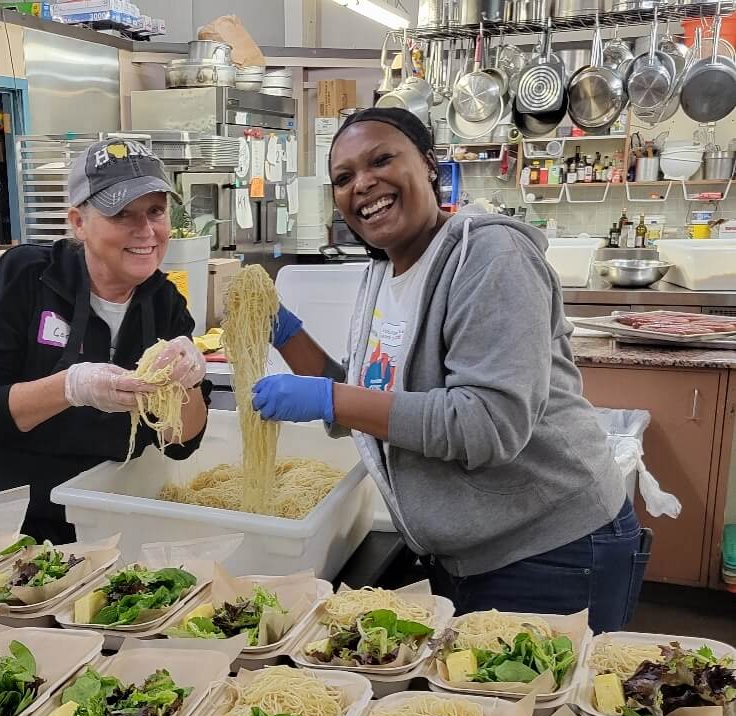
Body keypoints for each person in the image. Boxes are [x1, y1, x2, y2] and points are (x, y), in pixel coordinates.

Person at [252, 108, 648, 632]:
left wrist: (328, 398)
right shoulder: (384, 273)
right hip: (465, 557)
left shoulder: (489, 256)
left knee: (545, 713)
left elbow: (487, 424)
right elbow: (374, 399)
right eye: (343, 178)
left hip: (551, 550)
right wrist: (287, 334)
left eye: (382, 159)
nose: (363, 184)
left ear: (430, 166)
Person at [0, 138, 210, 542]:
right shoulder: (27, 277)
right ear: (78, 222)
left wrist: (188, 382)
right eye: (122, 213)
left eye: (155, 211)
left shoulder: (163, 302)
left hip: (100, 520)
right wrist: (70, 387)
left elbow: (180, 443)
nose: (146, 231)